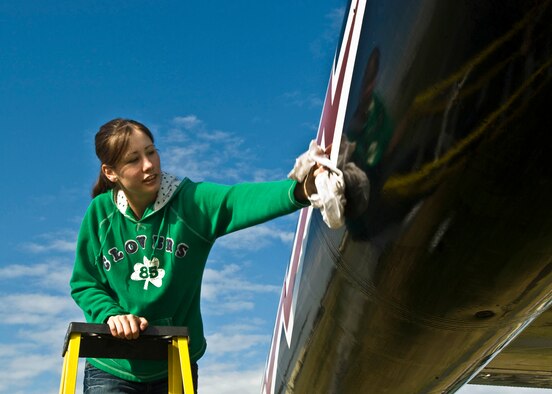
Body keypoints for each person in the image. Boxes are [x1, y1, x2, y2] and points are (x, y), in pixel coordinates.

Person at [70, 118, 323, 393]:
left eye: (151, 152)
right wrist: (111, 314)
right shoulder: (100, 215)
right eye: (133, 160)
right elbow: (85, 282)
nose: (148, 165)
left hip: (174, 361)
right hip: (113, 366)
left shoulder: (189, 201)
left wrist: (300, 190)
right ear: (111, 172)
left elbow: (234, 201)